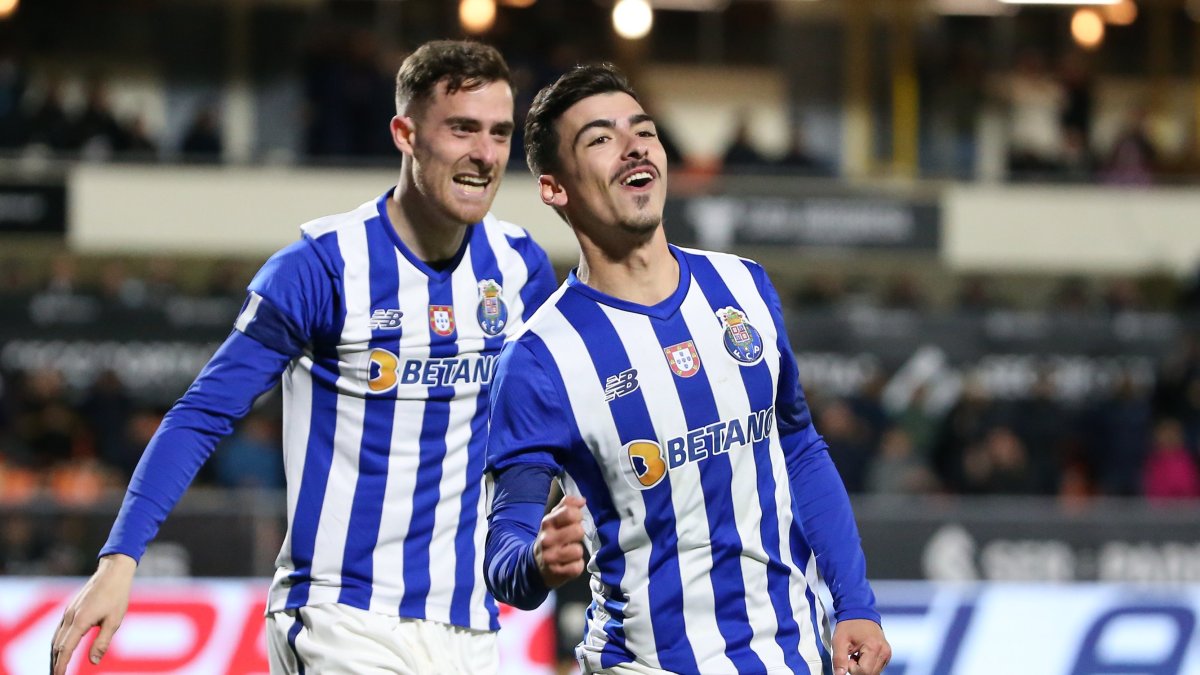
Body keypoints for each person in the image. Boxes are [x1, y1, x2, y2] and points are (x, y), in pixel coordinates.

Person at [50, 40, 557, 675]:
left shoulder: (520, 269)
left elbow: (533, 432)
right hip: (340, 620)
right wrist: (120, 558)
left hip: (472, 627)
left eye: (499, 134)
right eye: (462, 129)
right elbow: (202, 414)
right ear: (405, 133)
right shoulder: (321, 266)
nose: (485, 154)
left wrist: (535, 531)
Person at [483, 63, 889, 675]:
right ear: (555, 187)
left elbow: (799, 449)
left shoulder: (743, 286)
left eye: (641, 130)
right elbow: (504, 550)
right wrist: (535, 562)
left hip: (791, 655)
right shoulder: (541, 359)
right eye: (600, 139)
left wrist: (855, 603)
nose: (633, 146)